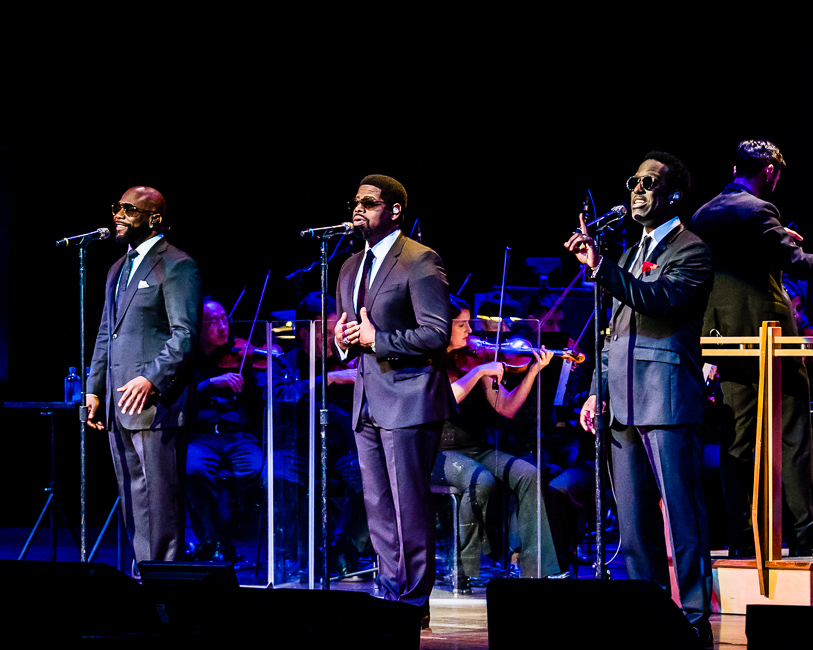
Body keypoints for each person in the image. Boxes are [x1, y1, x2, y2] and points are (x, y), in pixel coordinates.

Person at [566, 152, 714, 647]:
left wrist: (601, 266)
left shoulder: (691, 249)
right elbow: (611, 335)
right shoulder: (630, 254)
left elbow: (657, 301)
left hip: (668, 400)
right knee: (632, 525)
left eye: (650, 183)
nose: (637, 190)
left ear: (673, 194)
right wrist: (593, 392)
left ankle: (692, 620)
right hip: (622, 403)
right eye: (633, 181)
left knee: (682, 518)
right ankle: (646, 618)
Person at [334, 174, 457, 621]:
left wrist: (377, 338)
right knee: (378, 507)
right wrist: (345, 340)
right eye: (355, 202)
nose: (358, 209)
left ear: (395, 210)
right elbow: (354, 332)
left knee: (408, 506)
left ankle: (413, 602)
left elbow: (437, 333)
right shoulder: (349, 266)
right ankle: (389, 593)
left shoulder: (419, 260)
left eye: (368, 202)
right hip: (367, 400)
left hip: (409, 398)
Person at [690, 139, 813, 557]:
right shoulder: (759, 209)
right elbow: (796, 262)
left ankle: (741, 538)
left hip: (723, 339)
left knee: (737, 438)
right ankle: (803, 534)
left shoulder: (703, 213)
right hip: (769, 336)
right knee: (791, 432)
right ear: (771, 172)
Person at [87, 186, 202, 567]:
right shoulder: (117, 269)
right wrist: (94, 388)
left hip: (156, 406)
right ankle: (144, 581)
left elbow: (184, 333)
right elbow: (108, 331)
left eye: (128, 209)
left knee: (160, 504)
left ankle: (165, 591)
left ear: (153, 218)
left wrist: (152, 379)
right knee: (135, 499)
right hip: (120, 403)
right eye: (116, 207)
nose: (118, 215)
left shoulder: (177, 264)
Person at [433, 294, 564, 586]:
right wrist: (480, 371)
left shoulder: (472, 359)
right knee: (481, 480)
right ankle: (464, 568)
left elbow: (506, 408)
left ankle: (538, 569)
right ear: (443, 327)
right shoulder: (430, 361)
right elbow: (446, 398)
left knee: (530, 474)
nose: (470, 330)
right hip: (438, 451)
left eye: (469, 324)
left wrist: (532, 372)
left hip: (475, 448)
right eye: (462, 325)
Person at [271, 292, 370, 579]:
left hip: (341, 448)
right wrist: (325, 379)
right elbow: (278, 397)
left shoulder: (350, 360)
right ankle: (294, 555)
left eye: (337, 331)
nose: (333, 338)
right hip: (295, 446)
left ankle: (342, 546)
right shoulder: (283, 363)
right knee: (276, 478)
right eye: (326, 332)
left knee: (374, 483)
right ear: (303, 332)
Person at [186, 297, 264, 562]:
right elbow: (180, 400)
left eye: (224, 319)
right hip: (202, 435)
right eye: (214, 322)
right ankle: (214, 540)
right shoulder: (188, 360)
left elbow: (262, 398)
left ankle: (235, 526)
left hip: (239, 434)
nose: (223, 327)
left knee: (254, 470)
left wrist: (256, 369)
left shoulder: (243, 355)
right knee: (193, 469)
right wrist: (209, 384)